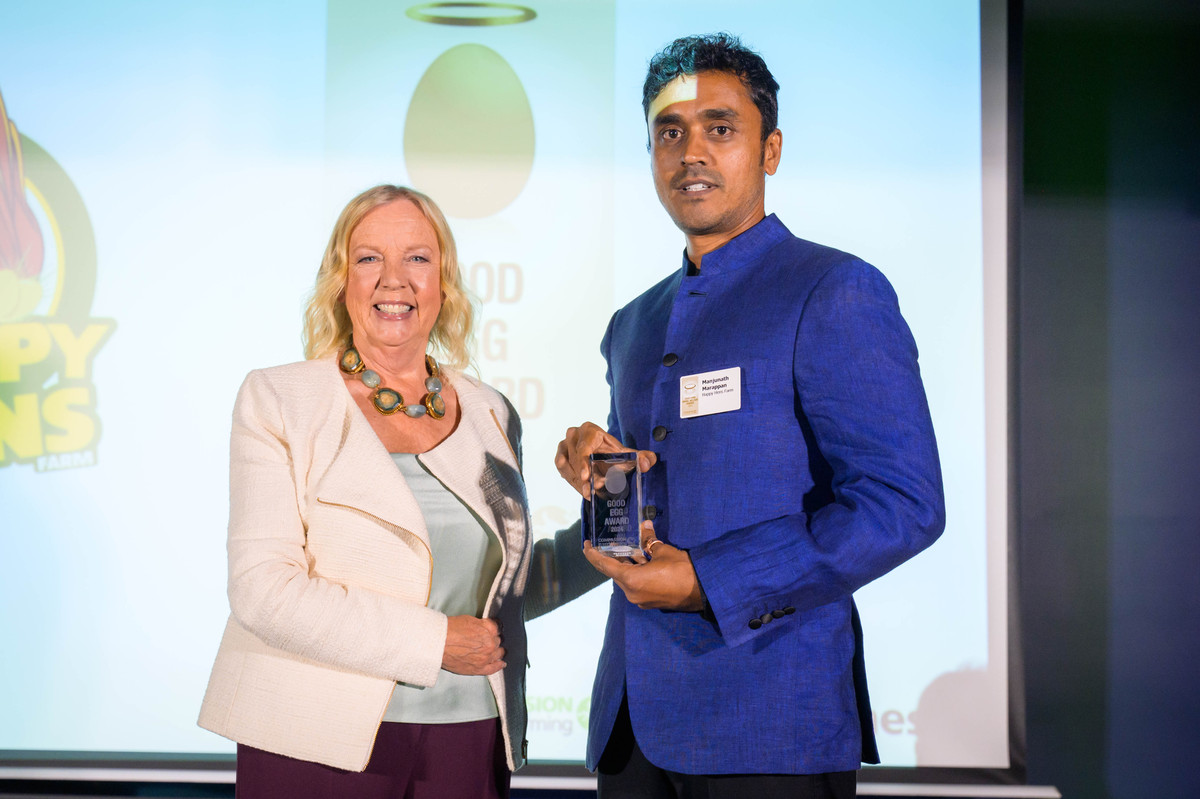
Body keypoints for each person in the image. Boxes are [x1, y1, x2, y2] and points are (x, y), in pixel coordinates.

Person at [554, 34, 946, 799]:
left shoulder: (833, 289)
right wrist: (595, 471)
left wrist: (708, 578)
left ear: (769, 150)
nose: (690, 152)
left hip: (771, 724)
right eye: (670, 132)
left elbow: (904, 505)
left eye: (719, 128)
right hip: (633, 725)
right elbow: (651, 502)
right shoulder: (634, 322)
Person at [198, 185, 600, 798]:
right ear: (341, 281)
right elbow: (263, 591)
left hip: (468, 736)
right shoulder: (280, 399)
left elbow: (500, 594)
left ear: (444, 281)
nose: (394, 280)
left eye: (416, 258)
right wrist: (436, 642)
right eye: (368, 259)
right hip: (312, 739)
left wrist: (614, 528)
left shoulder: (491, 410)